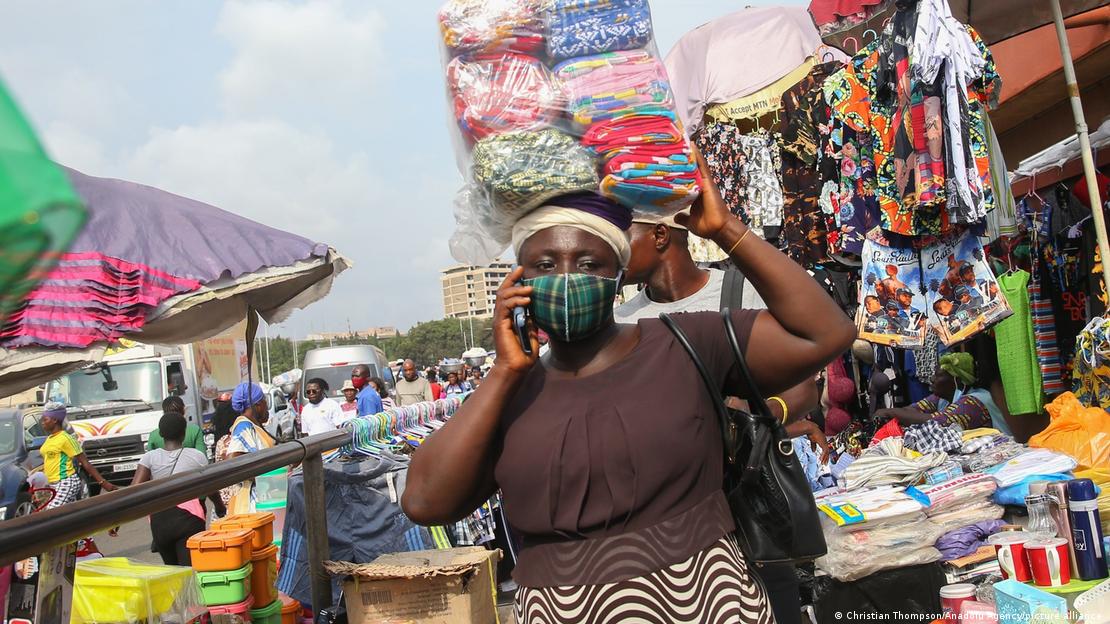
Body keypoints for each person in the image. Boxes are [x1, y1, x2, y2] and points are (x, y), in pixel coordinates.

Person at [403, 150, 855, 623]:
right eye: (543, 264)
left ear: (617, 273)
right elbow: (425, 501)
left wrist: (726, 231)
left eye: (588, 263)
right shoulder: (511, 391)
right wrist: (503, 371)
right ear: (517, 282)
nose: (566, 278)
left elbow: (826, 333)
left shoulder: (686, 340)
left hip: (704, 602)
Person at [616, 212, 829, 624]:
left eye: (623, 235)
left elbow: (804, 388)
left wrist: (756, 419)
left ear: (660, 235)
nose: (612, 248)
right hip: (667, 528)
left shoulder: (739, 294)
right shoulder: (623, 321)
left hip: (749, 518)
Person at [131, 413, 213, 565]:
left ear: (161, 434)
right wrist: (220, 507)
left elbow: (133, 491)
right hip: (189, 519)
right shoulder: (197, 456)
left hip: (160, 522)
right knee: (191, 572)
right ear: (183, 433)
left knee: (174, 575)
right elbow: (211, 487)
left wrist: (115, 521)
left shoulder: (149, 458)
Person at [875, 352, 1007, 433]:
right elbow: (912, 410)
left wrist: (890, 412)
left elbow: (937, 422)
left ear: (956, 380)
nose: (932, 379)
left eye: (938, 376)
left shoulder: (973, 403)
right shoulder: (942, 398)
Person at [39, 403, 116, 509]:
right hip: (52, 484)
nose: (42, 423)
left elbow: (85, 463)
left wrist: (103, 482)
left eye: (45, 419)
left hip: (66, 482)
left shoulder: (66, 439)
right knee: (66, 517)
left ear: (55, 420)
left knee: (50, 513)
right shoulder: (49, 439)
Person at [224, 382, 276, 514]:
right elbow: (233, 460)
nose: (266, 407)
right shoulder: (244, 426)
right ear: (258, 405)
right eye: (265, 401)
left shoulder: (253, 426)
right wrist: (264, 478)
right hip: (252, 503)